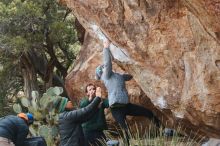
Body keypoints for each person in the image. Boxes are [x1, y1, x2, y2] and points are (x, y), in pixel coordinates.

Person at [95, 40, 161, 144]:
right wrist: (106, 48)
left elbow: (129, 76)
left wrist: (136, 68)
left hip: (126, 106)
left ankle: (162, 129)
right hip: (116, 109)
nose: (104, 67)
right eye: (102, 68)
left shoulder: (117, 76)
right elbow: (108, 63)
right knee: (126, 131)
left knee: (148, 112)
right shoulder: (106, 77)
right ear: (101, 73)